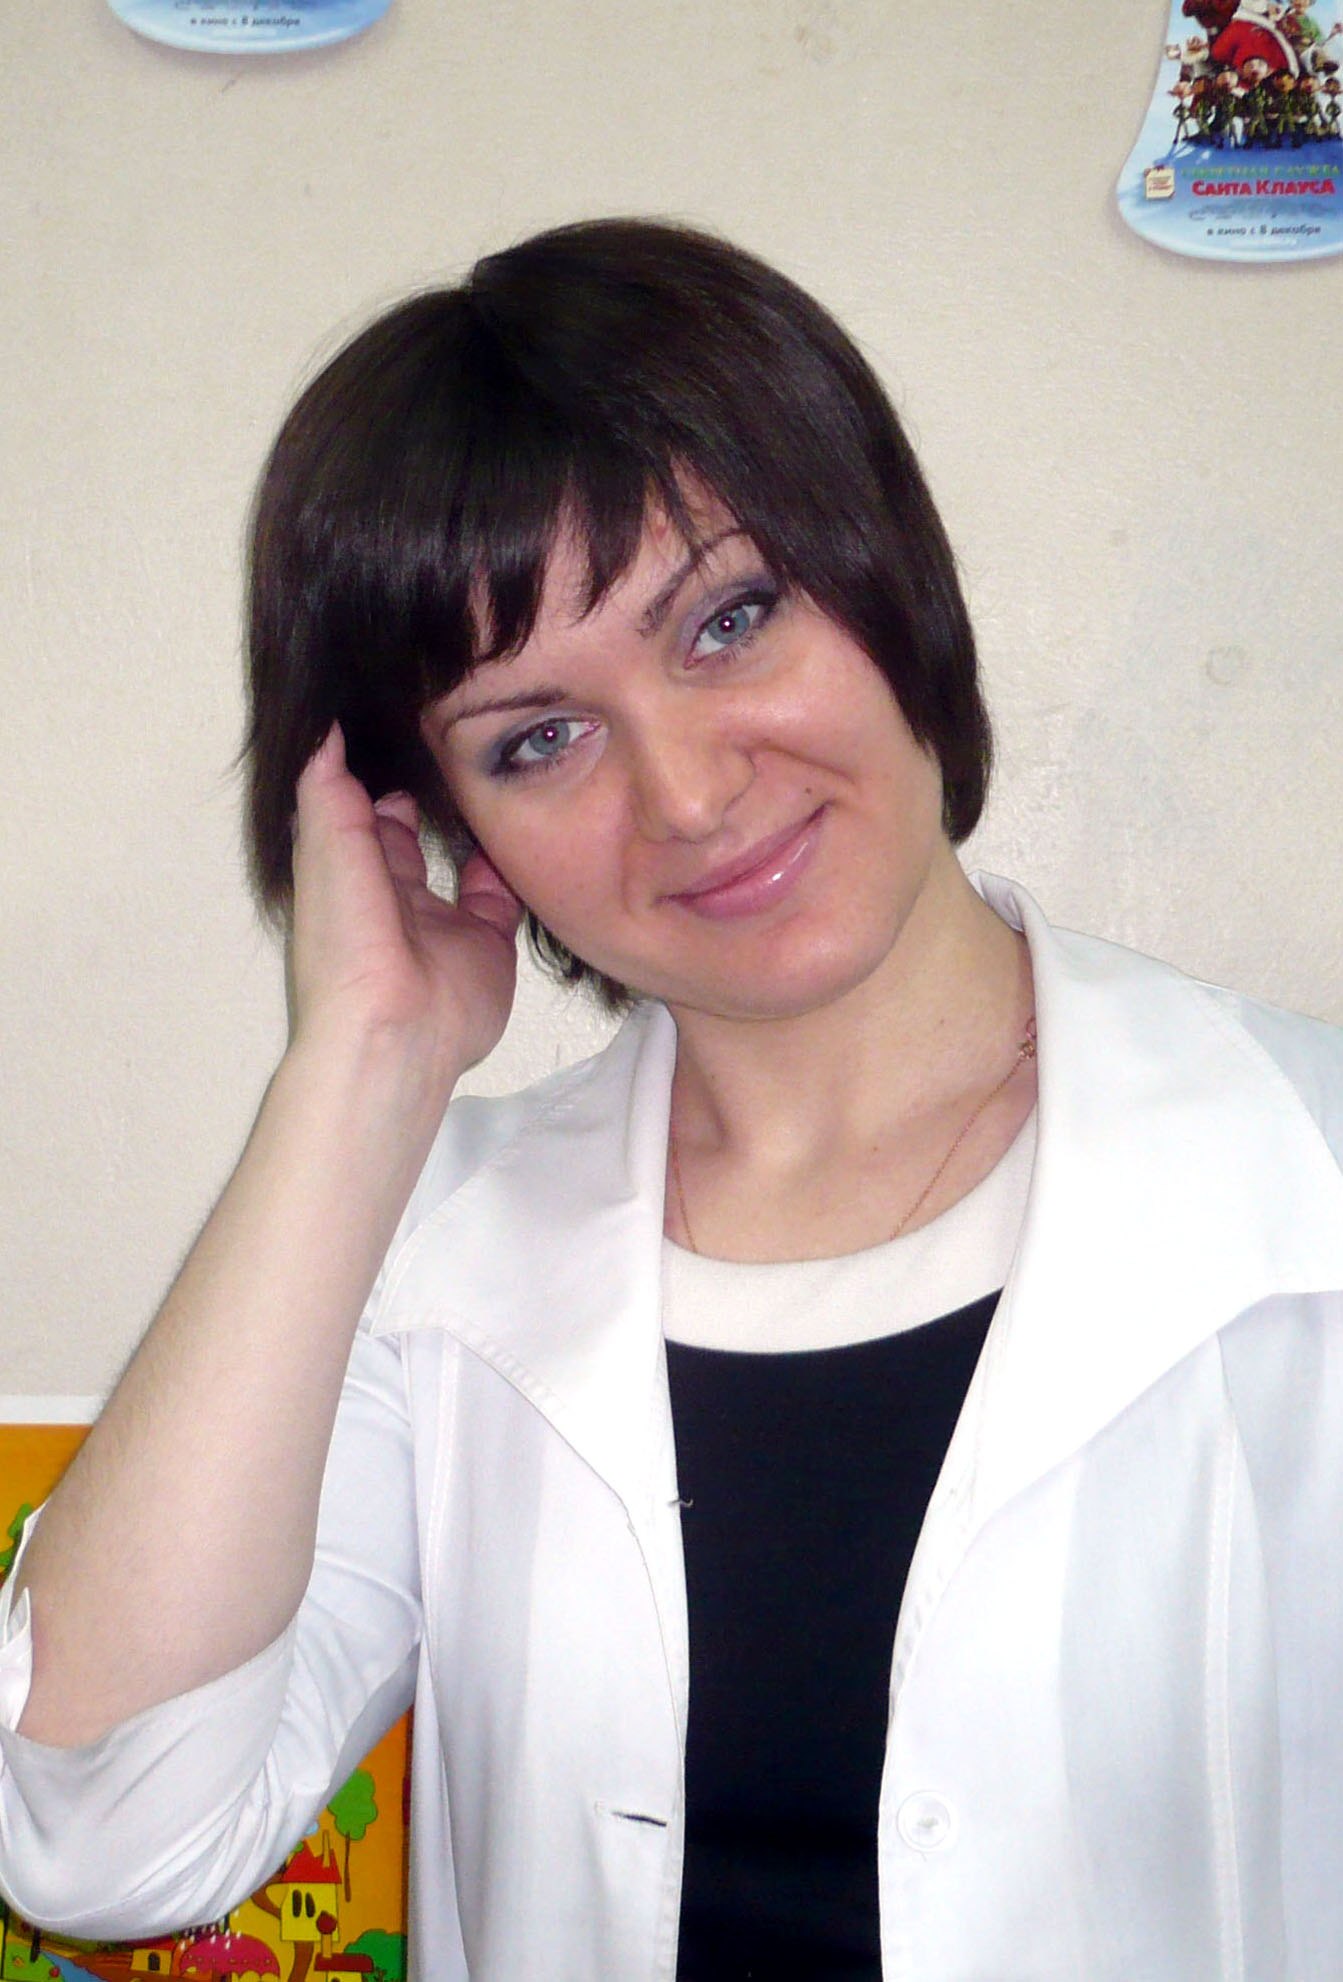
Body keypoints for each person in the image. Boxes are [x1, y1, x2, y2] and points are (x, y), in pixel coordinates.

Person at [2, 218, 1343, 1982]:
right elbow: (103, 1837)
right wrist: (362, 1065)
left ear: (884, 567)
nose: (691, 793)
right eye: (537, 737)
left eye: (730, 618)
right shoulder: (434, 1262)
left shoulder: (1299, 1172)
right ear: (444, 828)